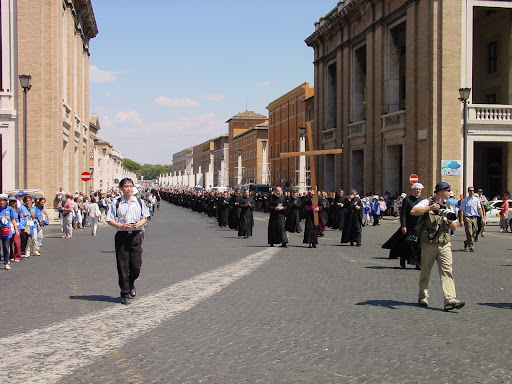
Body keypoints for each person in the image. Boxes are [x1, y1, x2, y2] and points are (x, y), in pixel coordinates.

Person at [411, 182, 465, 311]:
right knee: (425, 271)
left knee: (447, 272)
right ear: (441, 191)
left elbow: (454, 227)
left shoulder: (449, 207)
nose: (450, 192)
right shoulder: (427, 202)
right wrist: (430, 209)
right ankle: (423, 296)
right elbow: (413, 211)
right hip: (429, 244)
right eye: (449, 190)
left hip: (444, 244)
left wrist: (449, 220)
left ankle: (450, 299)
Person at [106, 178, 150, 305]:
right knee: (123, 266)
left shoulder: (139, 201)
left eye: (130, 186)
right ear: (121, 188)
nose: (128, 188)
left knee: (136, 266)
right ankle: (124, 293)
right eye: (126, 186)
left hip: (136, 235)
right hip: (122, 235)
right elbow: (109, 219)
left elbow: (145, 217)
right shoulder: (116, 203)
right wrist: (120, 226)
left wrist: (139, 224)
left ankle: (130, 283)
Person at [383, 183, 425, 269]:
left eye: (419, 189)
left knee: (419, 245)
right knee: (406, 244)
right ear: (412, 190)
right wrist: (403, 225)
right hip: (409, 225)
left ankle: (418, 263)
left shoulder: (423, 200)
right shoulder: (407, 199)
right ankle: (403, 258)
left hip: (419, 226)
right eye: (416, 189)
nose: (417, 191)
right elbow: (403, 214)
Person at [458, 187, 484, 252]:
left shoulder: (477, 200)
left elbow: (479, 208)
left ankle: (467, 242)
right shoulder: (465, 200)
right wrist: (461, 220)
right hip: (467, 217)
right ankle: (471, 246)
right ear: (468, 191)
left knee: (474, 232)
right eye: (470, 191)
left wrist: (482, 217)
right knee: (469, 232)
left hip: (474, 217)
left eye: (472, 190)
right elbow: (461, 210)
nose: (471, 192)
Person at [0, 194, 18, 270]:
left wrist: (16, 228)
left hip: (7, 231)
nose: (2, 202)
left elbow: (13, 219)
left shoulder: (10, 209)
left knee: (6, 248)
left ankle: (6, 263)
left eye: (3, 201)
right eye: (1, 201)